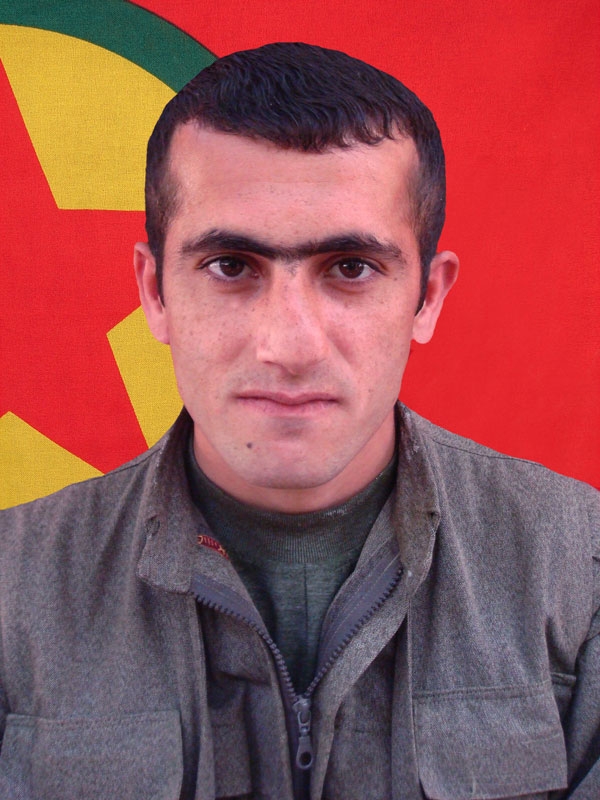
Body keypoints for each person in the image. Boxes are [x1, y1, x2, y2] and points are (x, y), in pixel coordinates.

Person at [0, 42, 598, 800]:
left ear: (428, 297)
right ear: (154, 292)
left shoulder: (581, 573)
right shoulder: (12, 589)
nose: (288, 346)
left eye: (350, 268)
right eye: (230, 266)